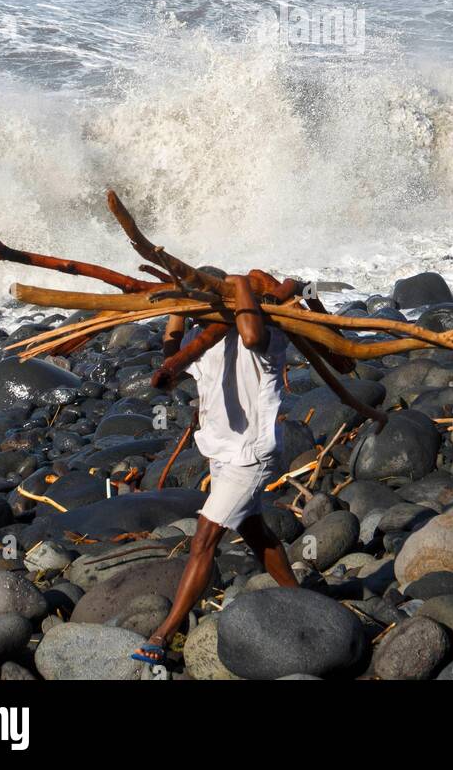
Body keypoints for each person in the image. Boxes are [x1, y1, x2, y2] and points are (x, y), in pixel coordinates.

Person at [131, 269, 301, 667]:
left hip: (251, 454)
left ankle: (164, 633)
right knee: (254, 529)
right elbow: (171, 358)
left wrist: (239, 281)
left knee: (205, 537)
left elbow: (252, 336)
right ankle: (300, 597)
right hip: (221, 453)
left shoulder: (268, 333)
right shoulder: (202, 338)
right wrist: (178, 309)